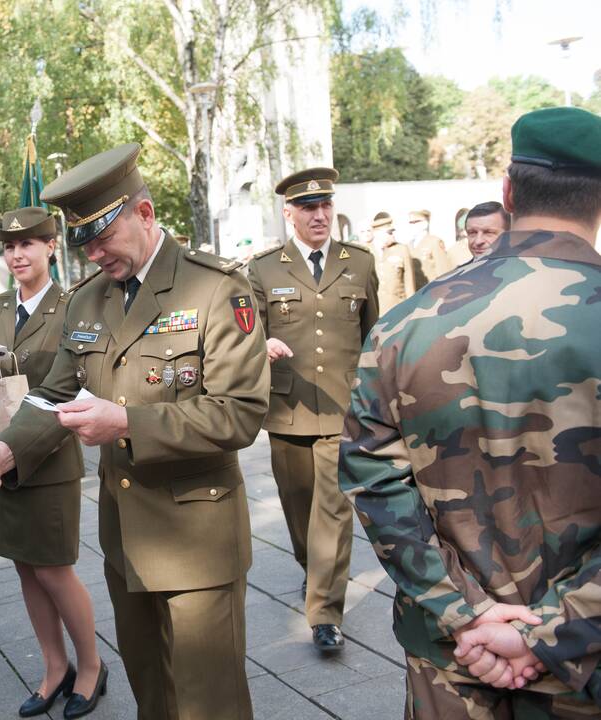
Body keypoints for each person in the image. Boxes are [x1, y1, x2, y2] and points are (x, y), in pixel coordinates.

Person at [0, 144, 270, 720]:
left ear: (145, 213)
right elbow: (50, 394)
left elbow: (239, 413)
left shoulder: (215, 289)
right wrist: (2, 452)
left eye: (103, 235)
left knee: (210, 702)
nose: (94, 252)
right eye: (83, 241)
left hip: (197, 537)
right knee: (150, 693)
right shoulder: (88, 300)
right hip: (127, 538)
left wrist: (128, 422)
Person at [339, 106, 601, 717]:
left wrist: (466, 612)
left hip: (452, 662)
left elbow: (372, 477)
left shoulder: (405, 323)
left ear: (507, 192)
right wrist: (553, 632)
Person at [0, 207, 101, 717]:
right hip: (0, 451)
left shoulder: (74, 305)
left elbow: (68, 380)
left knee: (55, 570)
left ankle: (90, 667)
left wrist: (3, 365)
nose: (18, 255)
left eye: (30, 245)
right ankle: (53, 666)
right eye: (10, 247)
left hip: (47, 454)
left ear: (49, 248)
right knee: (25, 568)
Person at [245, 167, 379, 652]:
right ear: (289, 214)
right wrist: (264, 342)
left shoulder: (359, 263)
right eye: (308, 208)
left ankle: (324, 612)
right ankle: (314, 573)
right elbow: (244, 336)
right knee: (298, 509)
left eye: (325, 205)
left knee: (332, 510)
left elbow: (373, 335)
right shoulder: (263, 269)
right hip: (287, 409)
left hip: (341, 409)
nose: (320, 215)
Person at [372, 213, 416, 311]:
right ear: (377, 233)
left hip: (397, 310)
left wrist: (411, 309)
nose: (393, 236)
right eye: (389, 233)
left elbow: (409, 285)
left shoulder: (402, 250)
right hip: (375, 312)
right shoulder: (367, 252)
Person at [407, 209, 452, 286]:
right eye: (411, 222)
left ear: (425, 223)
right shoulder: (409, 245)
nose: (413, 225)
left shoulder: (435, 242)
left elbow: (443, 271)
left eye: (416, 222)